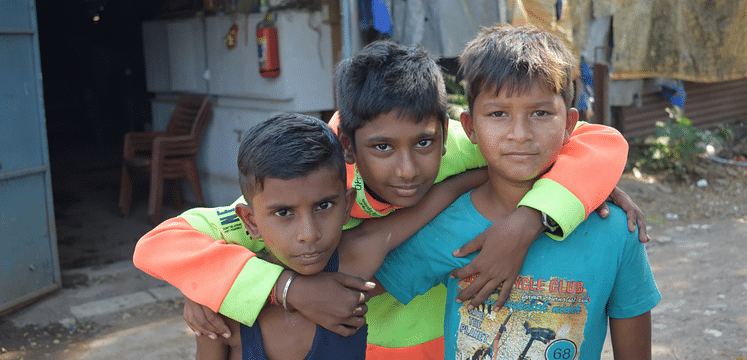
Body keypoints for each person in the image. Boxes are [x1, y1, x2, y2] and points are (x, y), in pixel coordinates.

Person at [133, 40, 644, 359]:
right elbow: (163, 243)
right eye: (381, 149)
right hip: (354, 338)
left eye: (425, 144)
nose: (406, 169)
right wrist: (272, 286)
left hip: (439, 341)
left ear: (446, 133)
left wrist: (545, 205)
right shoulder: (319, 184)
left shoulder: (467, 146)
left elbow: (596, 143)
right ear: (350, 148)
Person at [374, 25, 661, 359]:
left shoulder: (613, 230)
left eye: (540, 113)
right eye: (498, 114)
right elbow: (356, 290)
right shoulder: (445, 229)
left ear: (569, 124)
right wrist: (297, 288)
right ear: (470, 128)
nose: (520, 134)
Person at [195, 112, 484, 360]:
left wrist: (519, 204)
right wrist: (197, 289)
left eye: (323, 206)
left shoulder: (355, 257)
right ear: (250, 220)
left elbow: (441, 196)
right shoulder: (220, 308)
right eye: (284, 213)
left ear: (347, 206)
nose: (309, 235)